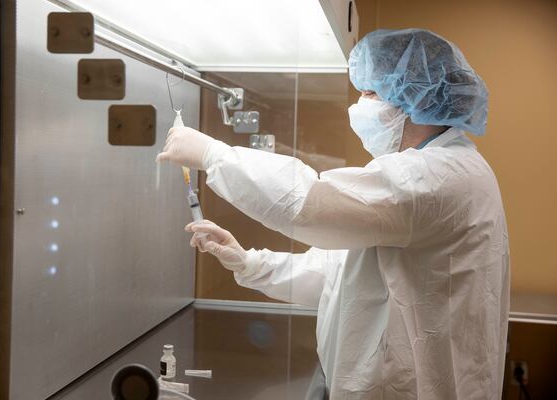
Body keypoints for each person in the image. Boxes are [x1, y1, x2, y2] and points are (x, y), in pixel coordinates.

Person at [157, 28, 510, 400]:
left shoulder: (435, 177)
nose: (359, 106)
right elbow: (339, 274)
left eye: (371, 92)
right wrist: (249, 263)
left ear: (415, 98)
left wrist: (213, 154)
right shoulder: (434, 168)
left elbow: (309, 204)